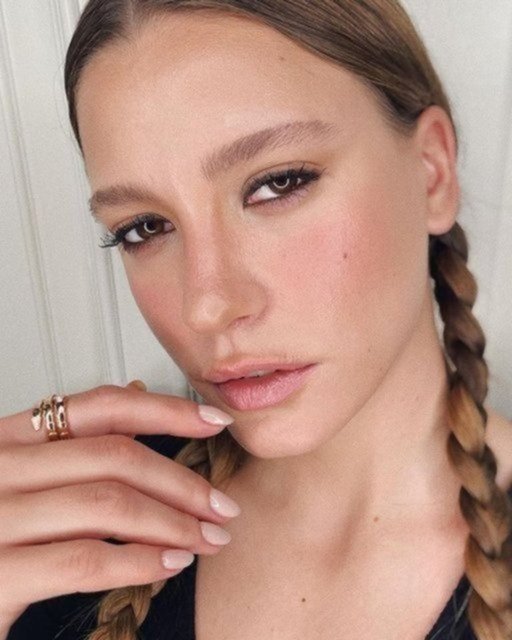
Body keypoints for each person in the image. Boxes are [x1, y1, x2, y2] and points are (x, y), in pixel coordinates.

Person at [1, 0, 512, 638]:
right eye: (144, 227)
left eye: (278, 183)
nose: (206, 306)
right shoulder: (63, 530)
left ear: (432, 172)